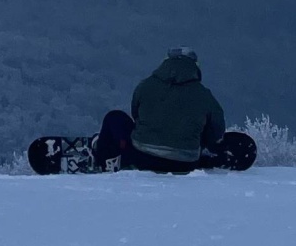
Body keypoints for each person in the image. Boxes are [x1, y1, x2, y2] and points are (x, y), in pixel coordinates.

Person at [94, 48, 227, 175]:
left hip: (142, 157)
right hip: (186, 162)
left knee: (114, 117)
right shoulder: (204, 95)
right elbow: (216, 131)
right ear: (195, 67)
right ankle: (203, 156)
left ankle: (103, 161)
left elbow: (136, 115)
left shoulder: (146, 86)